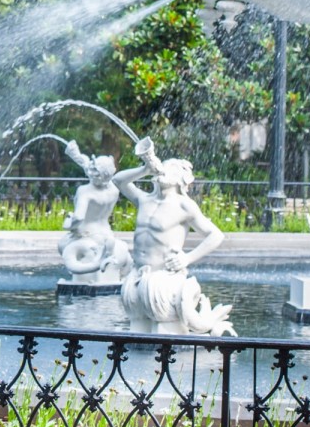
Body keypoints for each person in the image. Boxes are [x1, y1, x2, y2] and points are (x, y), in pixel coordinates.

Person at [113, 137, 236, 337]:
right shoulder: (144, 200)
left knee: (163, 332)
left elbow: (215, 235)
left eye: (170, 168)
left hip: (163, 280)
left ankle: (169, 362)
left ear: (181, 179)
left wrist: (187, 258)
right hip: (137, 275)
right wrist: (145, 169)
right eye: (164, 166)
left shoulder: (183, 205)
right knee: (137, 331)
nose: (164, 169)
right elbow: (118, 181)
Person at [58, 140, 130, 283]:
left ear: (98, 175)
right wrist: (76, 154)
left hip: (85, 235)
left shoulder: (85, 192)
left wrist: (69, 224)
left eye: (93, 170)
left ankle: (82, 277)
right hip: (105, 234)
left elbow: (78, 218)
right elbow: (89, 165)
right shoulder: (113, 189)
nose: (89, 170)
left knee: (62, 245)